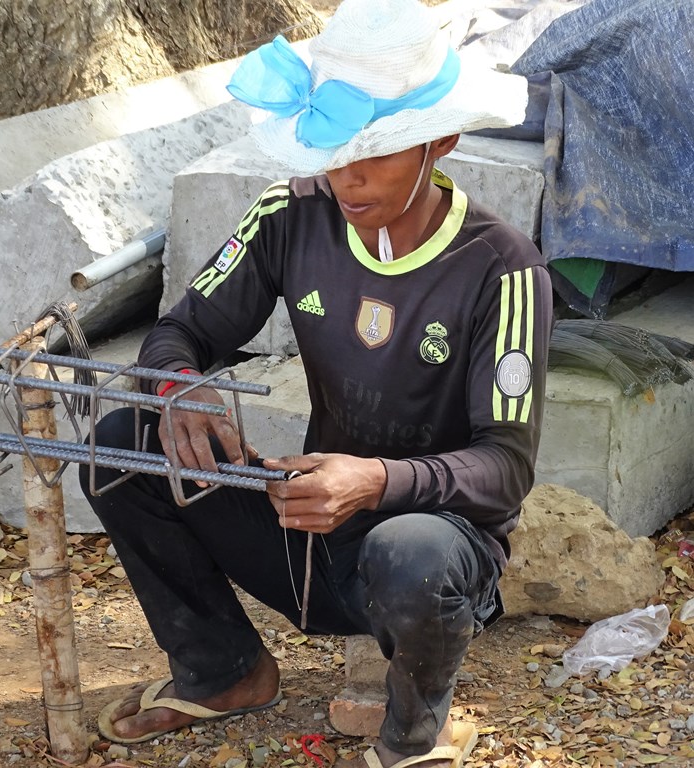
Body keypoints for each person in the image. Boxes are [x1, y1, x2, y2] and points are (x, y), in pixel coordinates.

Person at [80, 0, 553, 765]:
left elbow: (504, 470)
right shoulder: (289, 214)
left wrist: (372, 480)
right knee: (120, 444)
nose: (346, 177)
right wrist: (180, 391)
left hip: (431, 544)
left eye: (376, 154)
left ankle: (414, 731)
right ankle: (223, 667)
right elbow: (178, 333)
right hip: (305, 529)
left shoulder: (502, 267)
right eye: (332, 152)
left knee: (412, 551)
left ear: (440, 143)